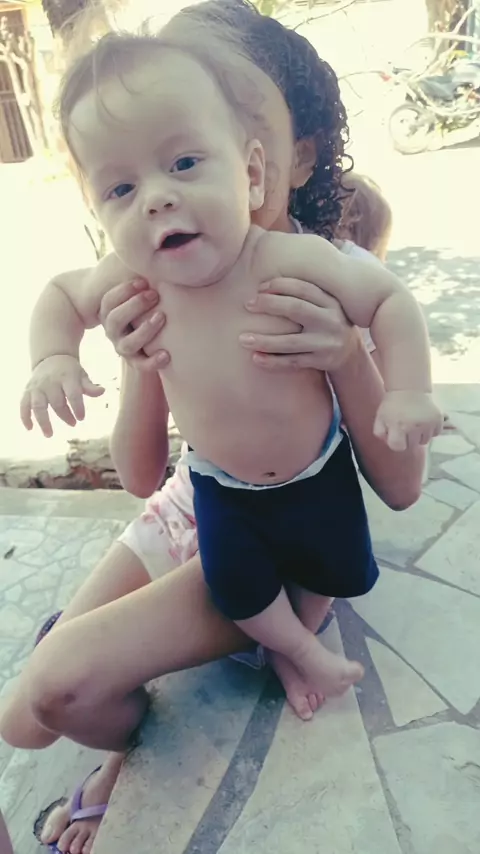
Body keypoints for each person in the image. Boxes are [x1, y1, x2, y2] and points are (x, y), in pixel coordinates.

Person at [0, 4, 428, 853]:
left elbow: (403, 487)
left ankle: (123, 757)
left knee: (59, 685)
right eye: (125, 180)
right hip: (195, 499)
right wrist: (129, 359)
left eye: (191, 148)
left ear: (279, 158)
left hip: (287, 515)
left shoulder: (324, 275)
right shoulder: (149, 272)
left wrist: (347, 355)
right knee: (21, 717)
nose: (163, 190)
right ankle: (127, 724)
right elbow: (140, 474)